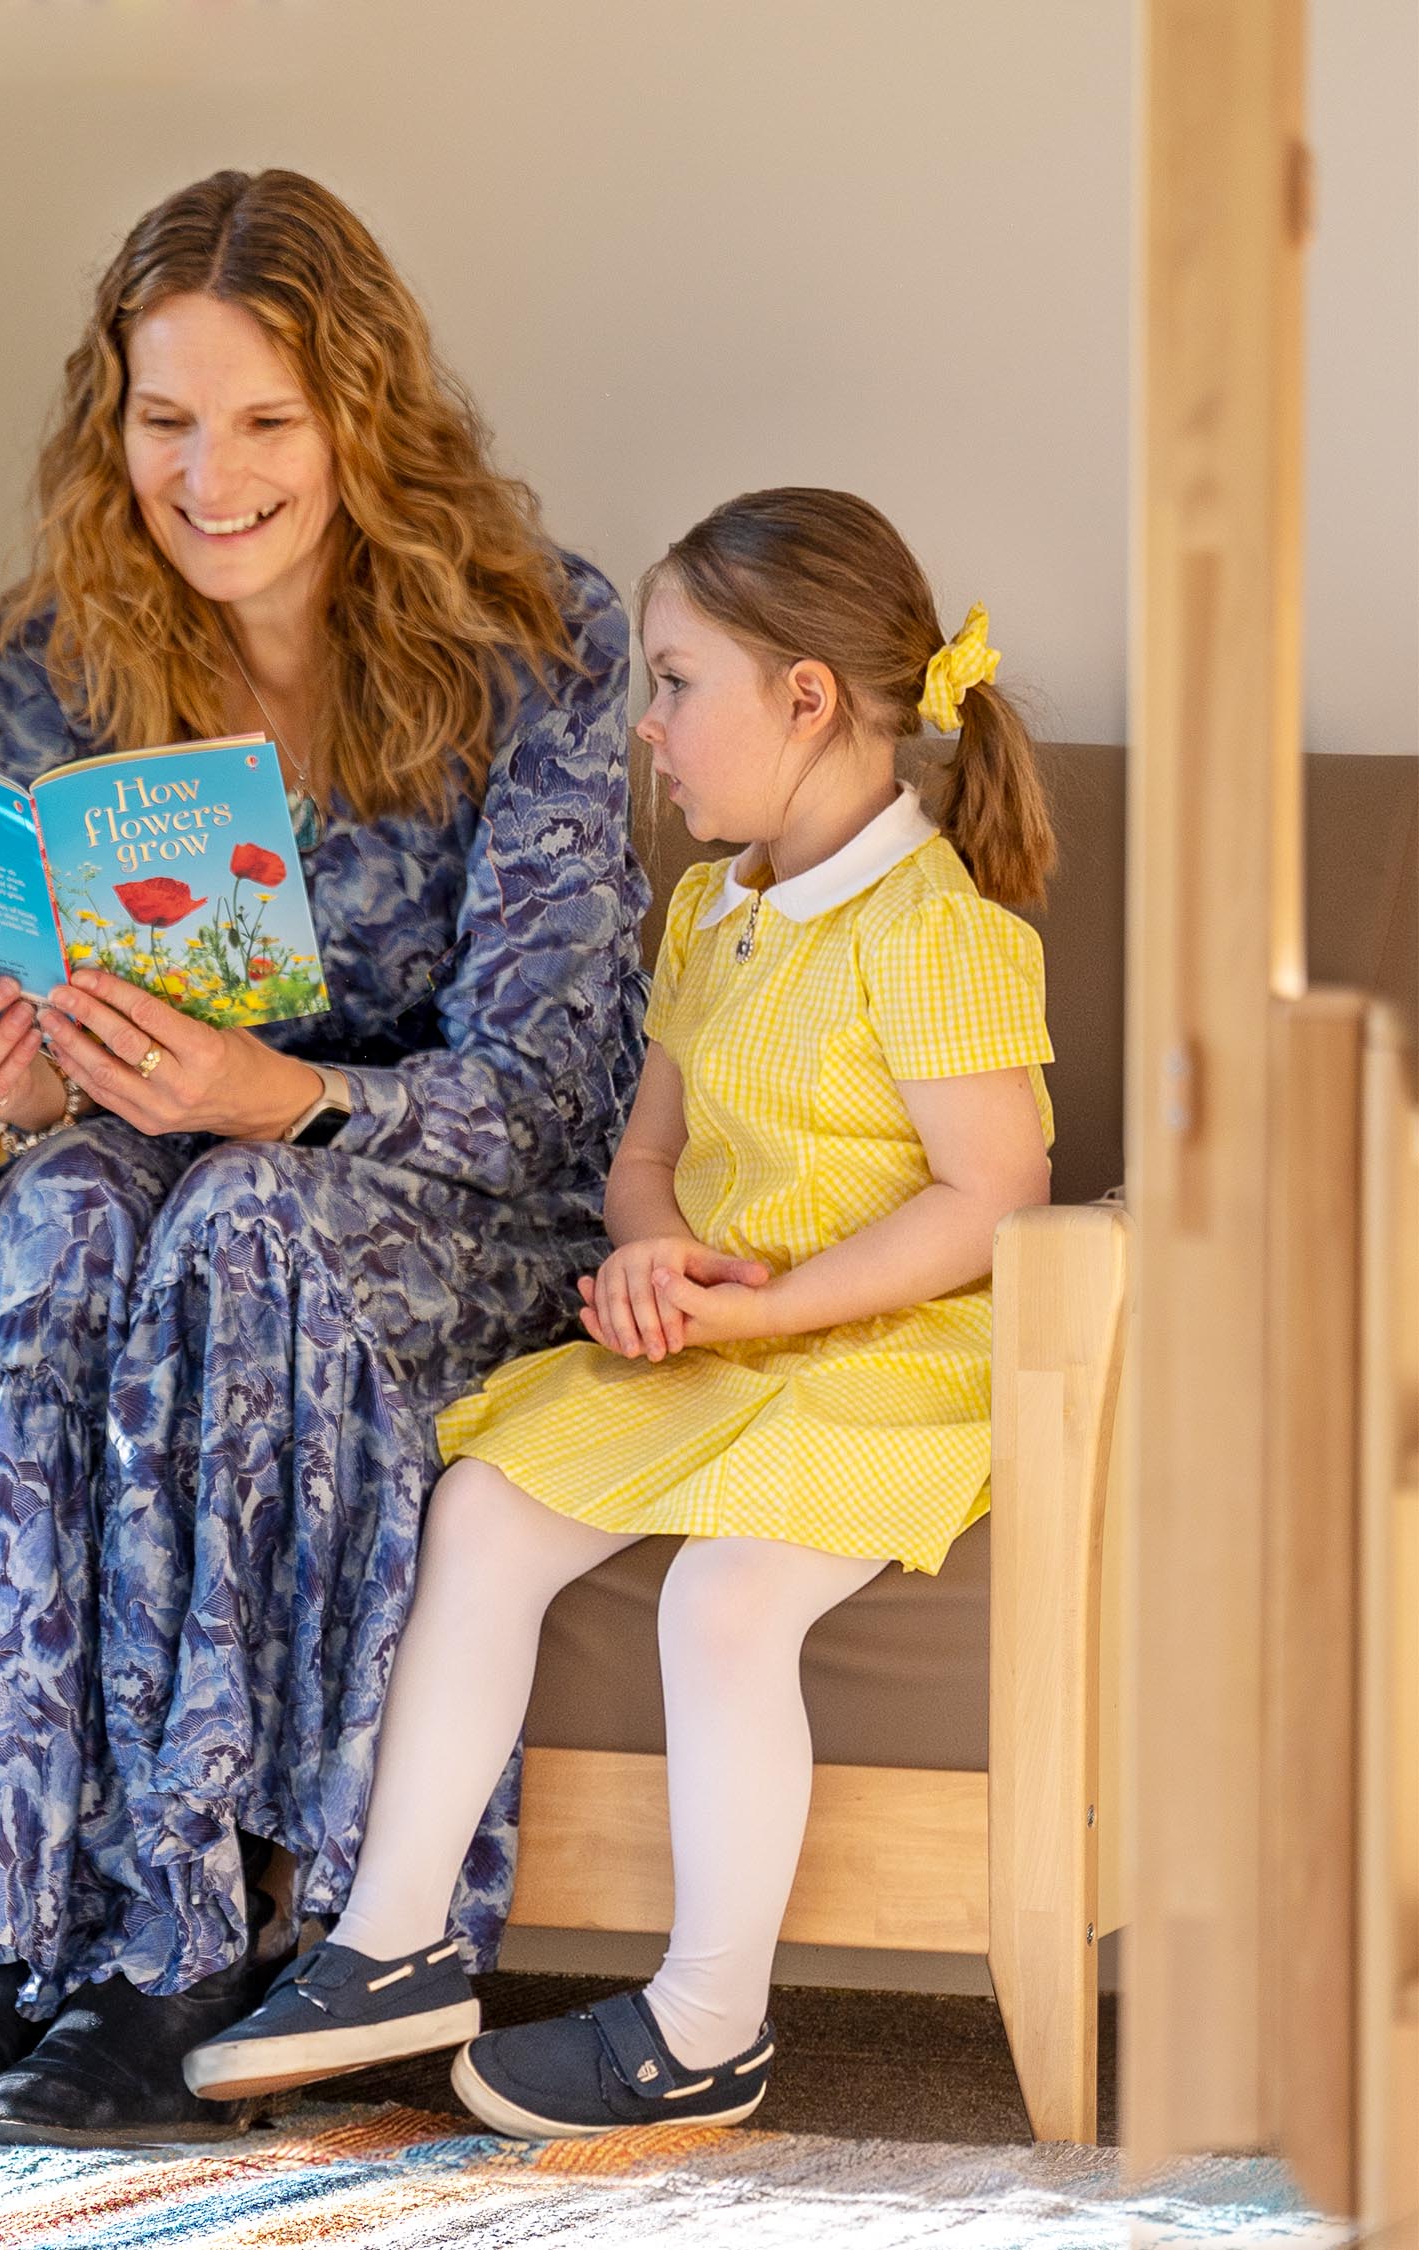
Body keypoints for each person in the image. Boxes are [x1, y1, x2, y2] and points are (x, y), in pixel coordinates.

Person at [0, 170, 649, 2146]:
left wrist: (289, 1099)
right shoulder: (56, 653)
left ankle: (195, 1947)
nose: (208, 474)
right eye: (166, 421)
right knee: (52, 1209)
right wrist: (0, 1064)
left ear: (362, 420)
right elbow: (89, 1042)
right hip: (169, 1174)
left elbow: (557, 1090)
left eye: (265, 422)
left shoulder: (541, 639)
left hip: (451, 1203)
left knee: (247, 1222)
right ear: (112, 420)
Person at [184, 488, 1058, 2138]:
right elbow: (644, 1150)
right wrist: (656, 1258)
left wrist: (775, 1301)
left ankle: (708, 2025)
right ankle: (387, 1941)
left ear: (806, 699)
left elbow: (989, 1200)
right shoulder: (710, 912)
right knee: (491, 1501)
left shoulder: (934, 930)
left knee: (724, 1602)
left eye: (672, 683)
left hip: (890, 1357)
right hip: (730, 1338)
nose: (644, 727)